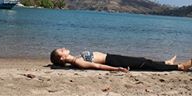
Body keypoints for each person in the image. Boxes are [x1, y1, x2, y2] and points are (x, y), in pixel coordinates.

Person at [50, 47, 192, 72]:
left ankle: (166, 63)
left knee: (143, 61)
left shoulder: (76, 58)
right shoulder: (78, 62)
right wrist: (116, 69)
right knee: (143, 63)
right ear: (61, 58)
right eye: (61, 50)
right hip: (113, 62)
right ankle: (180, 67)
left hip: (112, 57)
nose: (63, 48)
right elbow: (98, 67)